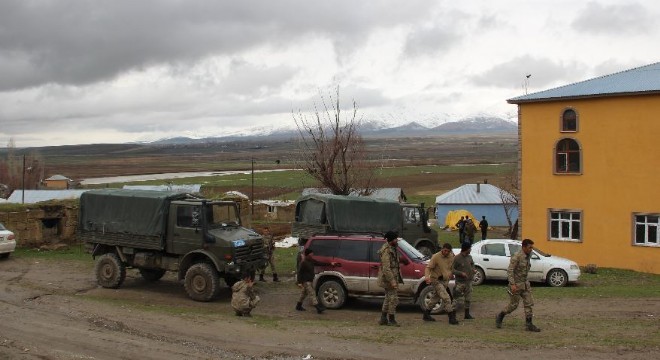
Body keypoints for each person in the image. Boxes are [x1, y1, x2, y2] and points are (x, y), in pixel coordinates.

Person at [495, 239, 541, 332]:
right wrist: (512, 284)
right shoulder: (517, 256)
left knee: (529, 303)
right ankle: (500, 315)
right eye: (529, 247)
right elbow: (510, 270)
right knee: (513, 305)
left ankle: (529, 324)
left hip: (525, 284)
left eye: (532, 247)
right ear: (524, 247)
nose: (531, 249)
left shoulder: (528, 256)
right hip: (516, 285)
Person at [422, 243, 458, 324]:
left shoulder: (451, 256)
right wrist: (427, 277)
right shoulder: (436, 257)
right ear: (442, 249)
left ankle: (426, 314)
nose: (446, 252)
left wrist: (451, 273)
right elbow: (428, 268)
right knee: (446, 297)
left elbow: (452, 266)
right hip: (436, 280)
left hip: (445, 281)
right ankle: (451, 318)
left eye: (448, 251)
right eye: (445, 250)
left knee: (435, 298)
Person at [296, 248, 337, 313]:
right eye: (311, 254)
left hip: (310, 280)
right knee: (312, 293)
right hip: (306, 281)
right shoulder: (303, 263)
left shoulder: (311, 261)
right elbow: (299, 273)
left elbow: (319, 263)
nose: (312, 255)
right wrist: (299, 282)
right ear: (307, 254)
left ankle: (298, 305)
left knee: (304, 294)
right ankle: (318, 308)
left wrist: (330, 264)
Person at [378, 231, 404, 326]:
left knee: (388, 298)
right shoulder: (386, 251)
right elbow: (386, 268)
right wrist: (392, 281)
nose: (397, 240)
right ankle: (391, 319)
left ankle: (383, 318)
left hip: (392, 277)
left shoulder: (393, 248)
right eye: (395, 239)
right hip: (389, 279)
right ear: (391, 240)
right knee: (393, 299)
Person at [452, 242, 475, 319]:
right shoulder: (457, 258)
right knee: (456, 298)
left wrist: (473, 269)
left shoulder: (470, 257)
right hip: (460, 282)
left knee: (468, 298)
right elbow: (452, 269)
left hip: (469, 282)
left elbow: (472, 264)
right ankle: (453, 315)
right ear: (466, 249)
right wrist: (460, 273)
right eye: (469, 248)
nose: (470, 249)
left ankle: (467, 314)